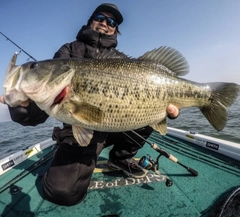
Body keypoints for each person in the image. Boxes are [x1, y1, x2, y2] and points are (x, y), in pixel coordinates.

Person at [0, 3, 179, 206]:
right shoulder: (68, 51)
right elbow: (39, 111)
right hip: (80, 128)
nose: (105, 24)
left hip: (116, 124)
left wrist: (169, 111)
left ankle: (119, 158)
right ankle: (67, 156)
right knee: (63, 193)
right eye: (100, 18)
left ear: (115, 30)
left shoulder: (120, 60)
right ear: (91, 20)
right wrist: (20, 106)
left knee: (149, 115)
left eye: (111, 22)